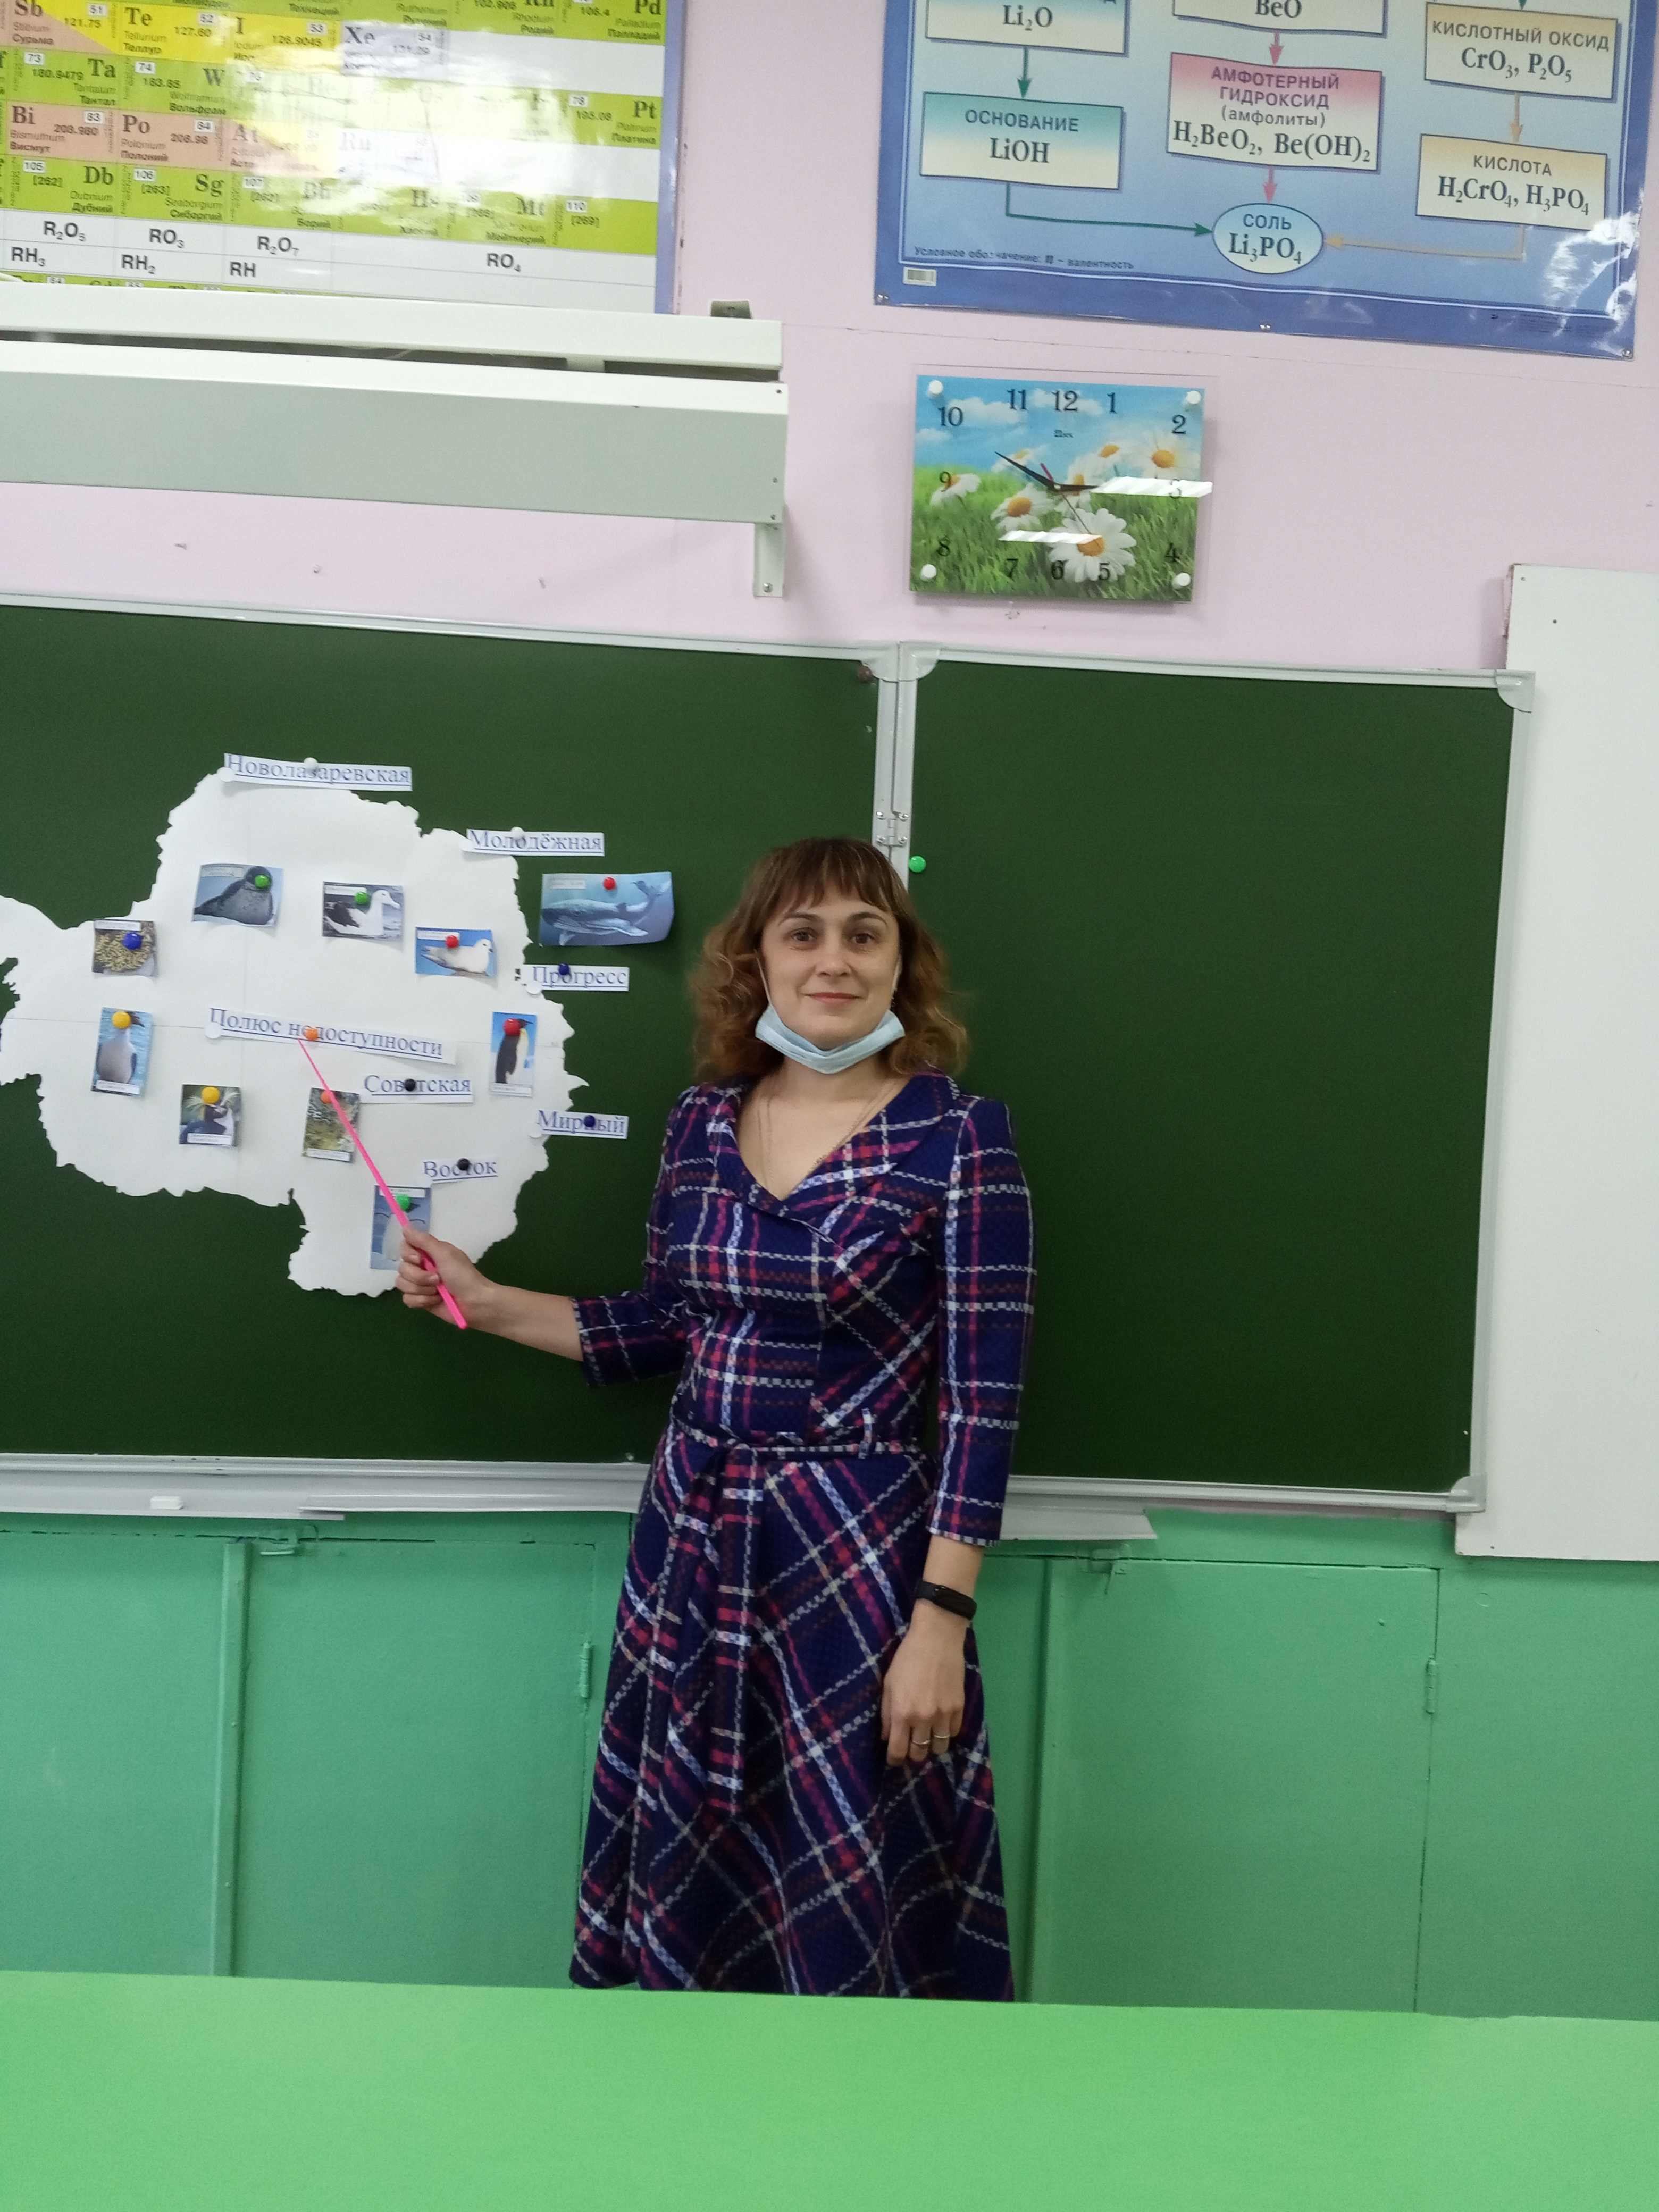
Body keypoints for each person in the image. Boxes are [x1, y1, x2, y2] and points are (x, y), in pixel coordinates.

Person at [396, 837, 1035, 1998]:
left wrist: (940, 1621)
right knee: (688, 1847)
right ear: (760, 961)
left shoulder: (957, 1138)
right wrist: (485, 1304)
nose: (833, 960)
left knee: (848, 1858)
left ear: (903, 963)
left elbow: (982, 1404)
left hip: (857, 1550)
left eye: (864, 934)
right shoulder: (702, 1122)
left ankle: (848, 2102)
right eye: (804, 934)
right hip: (692, 1537)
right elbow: (667, 1325)